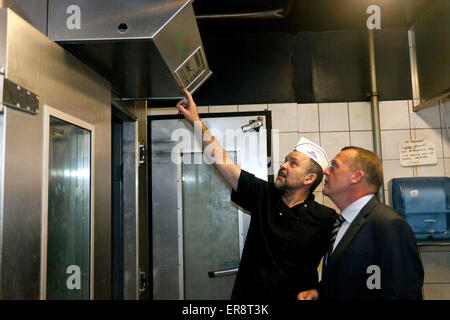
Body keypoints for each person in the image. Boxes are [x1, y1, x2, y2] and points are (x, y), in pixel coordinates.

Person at [176, 88, 336, 300]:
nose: (284, 165)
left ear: (309, 179)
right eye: (286, 159)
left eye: (293, 163)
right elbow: (222, 162)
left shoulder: (327, 218)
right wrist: (196, 120)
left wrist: (319, 291)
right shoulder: (264, 195)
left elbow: (343, 266)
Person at [297, 146, 424, 300]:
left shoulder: (388, 225)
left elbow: (402, 293)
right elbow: (357, 282)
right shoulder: (341, 223)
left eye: (334, 166)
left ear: (356, 177)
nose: (325, 171)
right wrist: (321, 293)